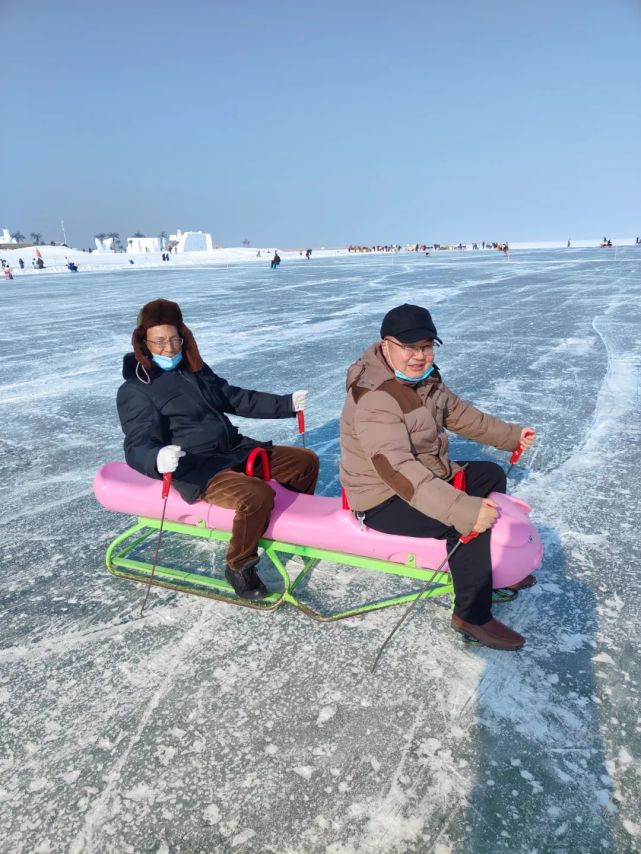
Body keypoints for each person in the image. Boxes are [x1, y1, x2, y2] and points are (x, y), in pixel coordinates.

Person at [339, 303, 536, 651]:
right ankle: (471, 616)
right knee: (465, 518)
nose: (419, 355)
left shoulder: (424, 381)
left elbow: (460, 414)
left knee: (487, 475)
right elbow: (396, 469)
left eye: (426, 346)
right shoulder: (376, 396)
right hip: (382, 496)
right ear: (386, 345)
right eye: (409, 347)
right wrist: (461, 509)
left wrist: (511, 435)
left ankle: (478, 568)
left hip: (422, 473)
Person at [117, 299, 319, 600]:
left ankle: (289, 528)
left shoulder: (194, 370)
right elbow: (136, 443)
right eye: (159, 342)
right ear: (143, 344)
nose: (169, 349)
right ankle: (239, 565)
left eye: (174, 339)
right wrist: (157, 458)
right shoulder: (136, 389)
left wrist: (285, 404)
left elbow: (233, 398)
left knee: (304, 462)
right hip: (197, 466)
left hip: (232, 449)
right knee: (256, 495)